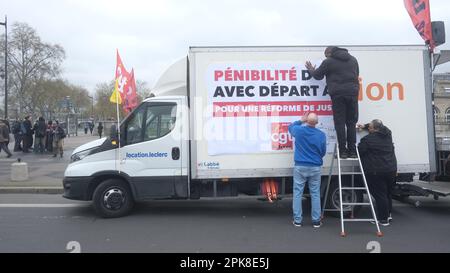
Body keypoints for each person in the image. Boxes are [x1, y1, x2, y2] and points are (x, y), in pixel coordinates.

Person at [306, 46, 359, 159]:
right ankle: (353, 151)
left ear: (329, 53)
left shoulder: (329, 61)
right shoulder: (353, 60)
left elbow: (318, 76)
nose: (326, 57)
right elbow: (356, 74)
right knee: (351, 123)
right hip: (353, 94)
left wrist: (311, 70)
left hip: (338, 95)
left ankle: (343, 152)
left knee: (340, 123)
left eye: (326, 55)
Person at [288, 112, 327, 228]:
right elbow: (323, 151)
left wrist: (301, 120)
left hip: (300, 166)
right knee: (315, 193)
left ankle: (298, 220)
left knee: (298, 193)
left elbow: (290, 127)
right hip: (315, 166)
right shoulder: (321, 135)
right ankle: (316, 221)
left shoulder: (299, 130)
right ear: (317, 122)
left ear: (307, 121)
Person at [357, 119, 397, 226]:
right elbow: (384, 128)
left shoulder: (367, 139)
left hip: (377, 171)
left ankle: (383, 220)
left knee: (380, 195)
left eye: (369, 127)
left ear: (374, 129)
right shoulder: (388, 135)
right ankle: (388, 215)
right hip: (391, 169)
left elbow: (360, 152)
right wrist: (365, 126)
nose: (368, 129)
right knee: (388, 193)